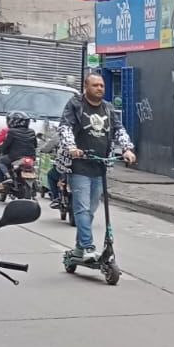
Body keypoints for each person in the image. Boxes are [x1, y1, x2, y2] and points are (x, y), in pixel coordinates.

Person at [59, 72, 136, 261]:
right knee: (82, 208)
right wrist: (72, 147)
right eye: (95, 85)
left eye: (102, 85)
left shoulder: (108, 108)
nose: (100, 88)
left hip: (100, 166)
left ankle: (78, 248)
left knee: (91, 208)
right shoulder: (76, 105)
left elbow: (119, 130)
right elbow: (65, 127)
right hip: (79, 165)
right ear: (86, 87)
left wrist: (127, 149)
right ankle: (87, 246)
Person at [0, 110, 37, 191]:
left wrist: (0, 151)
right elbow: (35, 145)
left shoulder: (11, 132)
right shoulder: (32, 131)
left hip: (14, 157)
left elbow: (6, 145)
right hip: (31, 157)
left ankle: (5, 179)